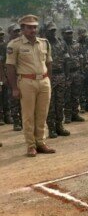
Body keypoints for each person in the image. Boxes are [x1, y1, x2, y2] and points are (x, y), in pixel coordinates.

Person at [5, 14, 56, 157]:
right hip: (26, 82)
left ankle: (41, 142)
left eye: (34, 27)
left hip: (44, 81)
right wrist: (14, 88)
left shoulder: (44, 43)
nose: (33, 30)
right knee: (28, 115)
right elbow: (10, 67)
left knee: (42, 114)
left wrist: (48, 80)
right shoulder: (14, 45)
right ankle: (31, 145)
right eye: (29, 28)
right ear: (22, 28)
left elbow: (49, 63)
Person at [44, 22, 71, 138]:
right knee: (50, 104)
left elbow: (66, 61)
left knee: (60, 103)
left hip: (60, 76)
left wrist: (67, 75)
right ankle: (51, 128)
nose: (53, 32)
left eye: (54, 30)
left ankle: (59, 126)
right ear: (45, 31)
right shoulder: (43, 44)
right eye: (50, 30)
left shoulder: (62, 43)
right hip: (48, 77)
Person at [62, 26, 85, 124]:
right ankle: (67, 116)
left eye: (71, 33)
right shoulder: (61, 45)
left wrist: (82, 70)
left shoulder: (77, 44)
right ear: (63, 34)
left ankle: (75, 114)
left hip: (76, 72)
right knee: (67, 95)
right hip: (66, 73)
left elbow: (81, 57)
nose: (70, 35)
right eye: (67, 33)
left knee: (76, 94)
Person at [4, 24, 23, 130]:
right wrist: (3, 77)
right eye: (15, 31)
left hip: (22, 75)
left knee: (23, 98)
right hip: (11, 76)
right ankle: (16, 122)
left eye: (18, 31)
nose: (17, 33)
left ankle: (23, 121)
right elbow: (1, 63)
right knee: (13, 99)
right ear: (9, 33)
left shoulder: (22, 44)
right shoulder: (5, 45)